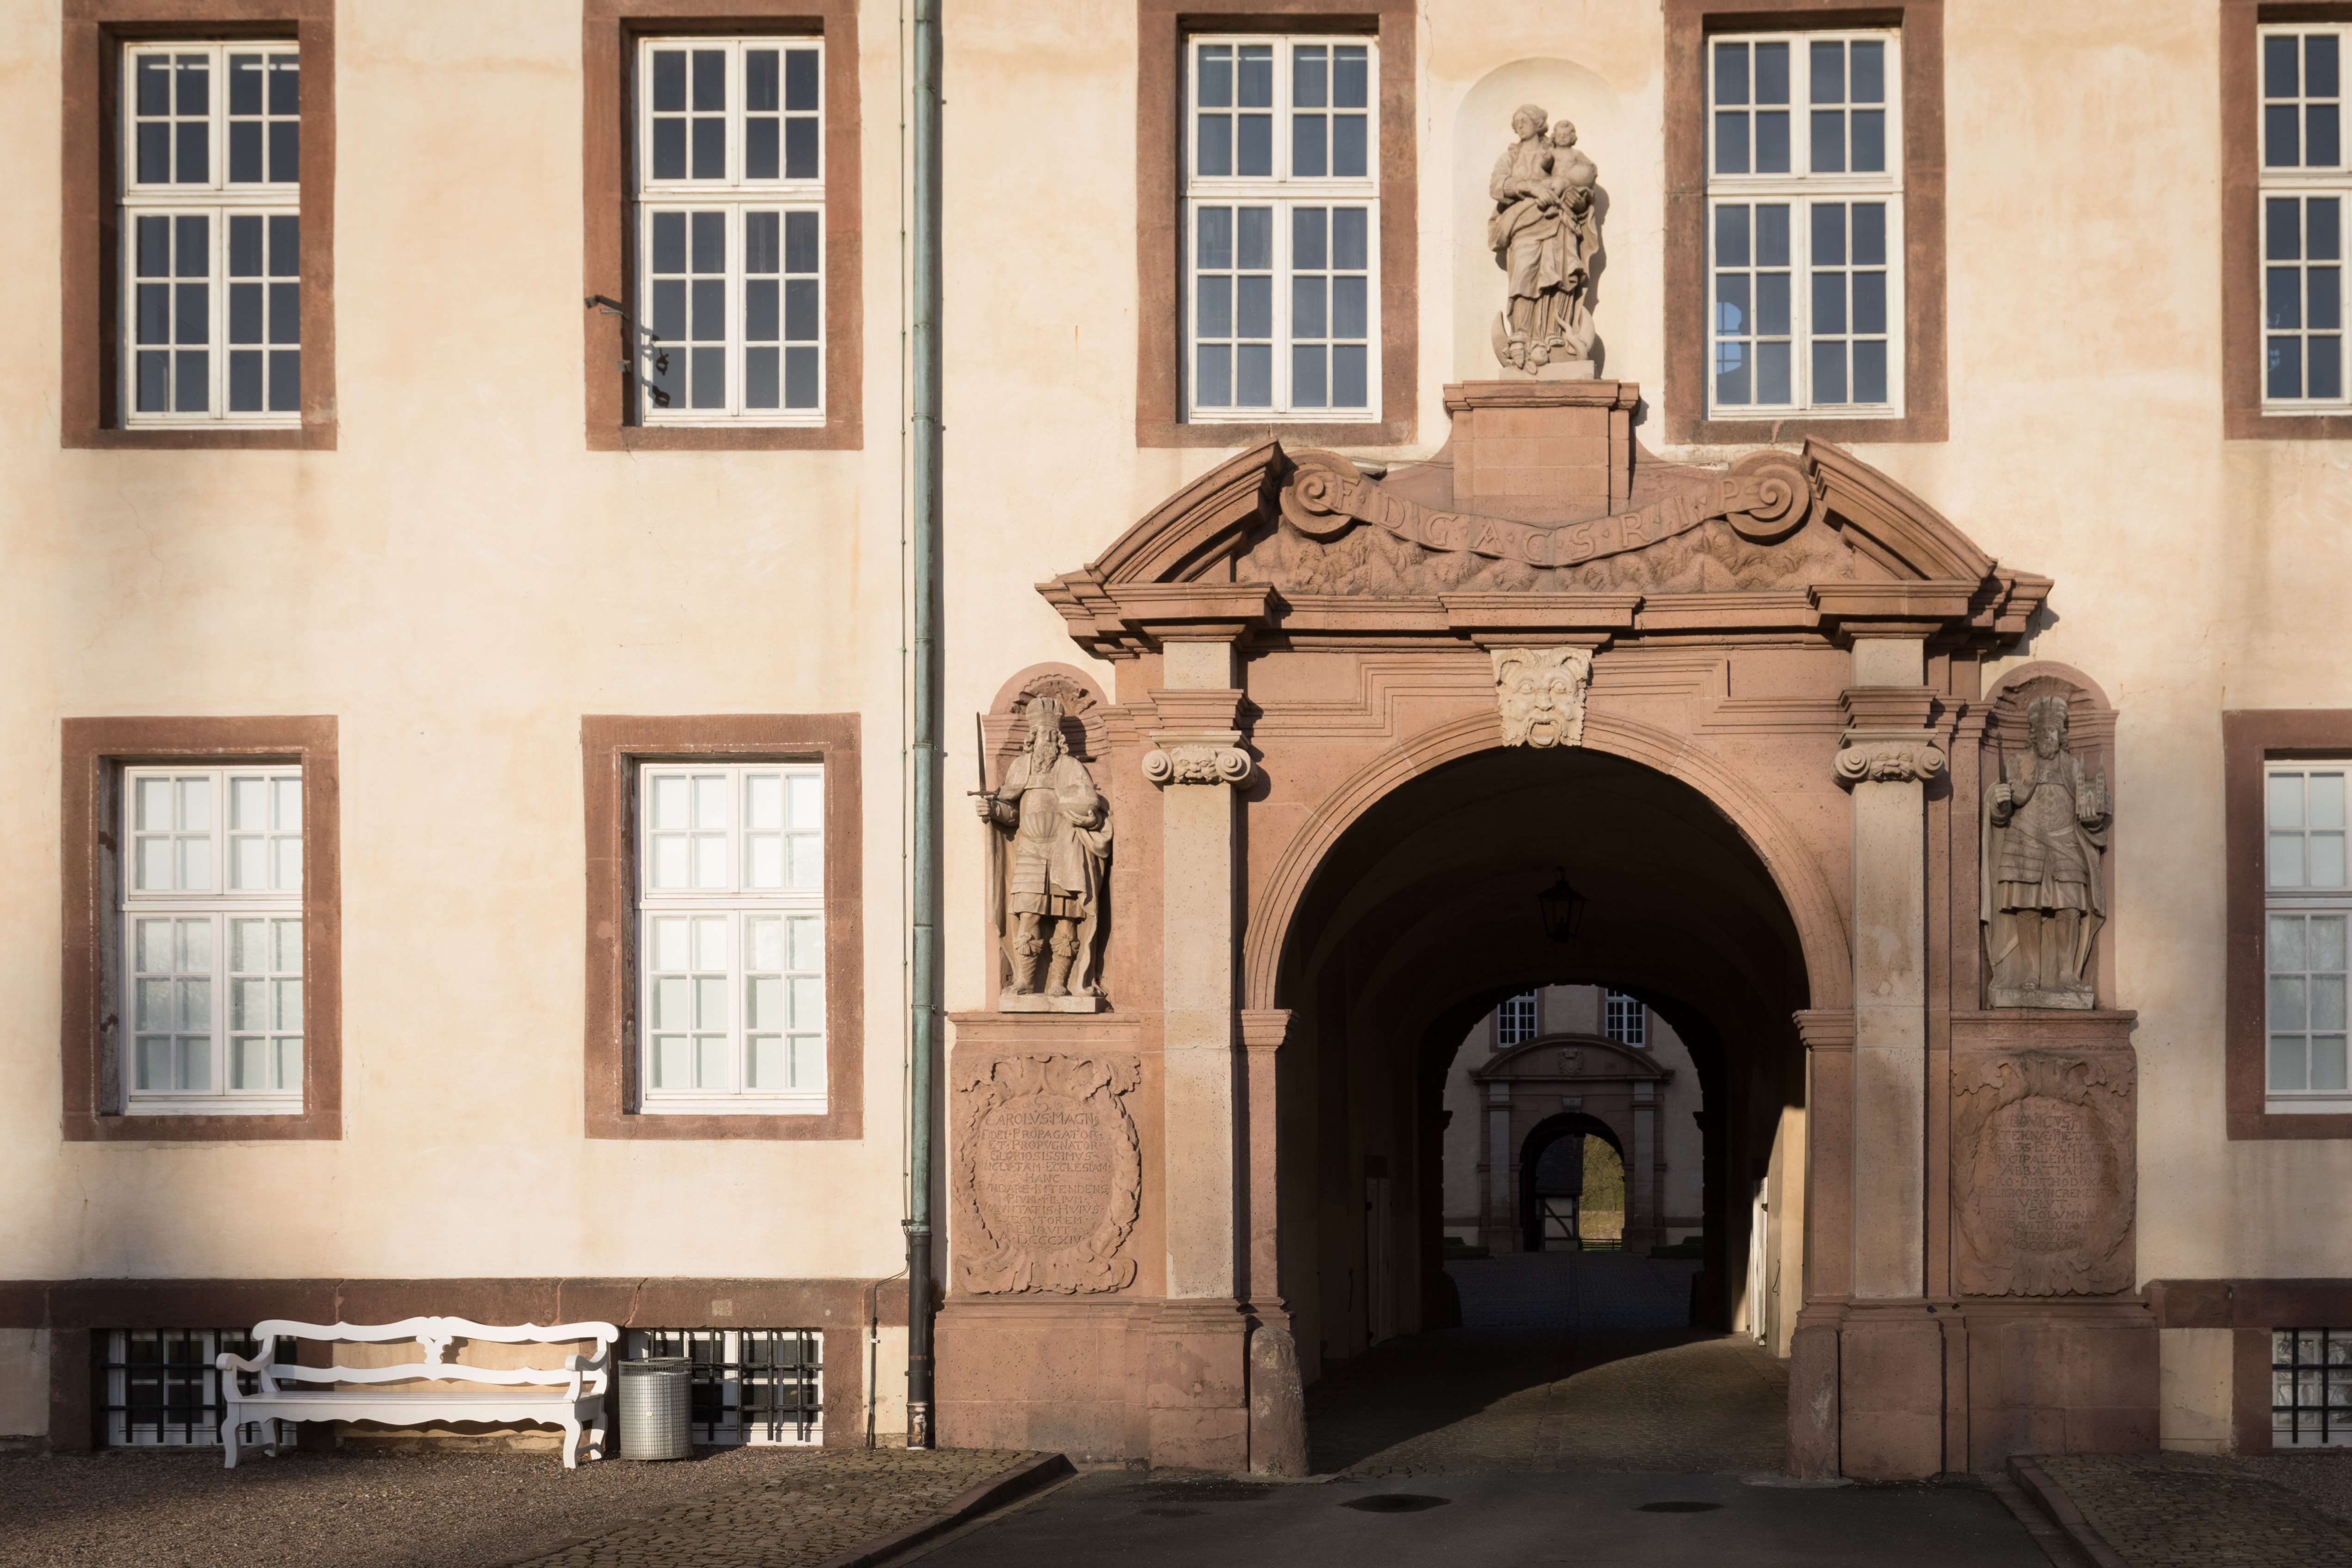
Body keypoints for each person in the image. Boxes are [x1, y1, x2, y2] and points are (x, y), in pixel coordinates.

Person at [975, 697, 1113, 999]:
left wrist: (1082, 812)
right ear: (1032, 737)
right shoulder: (1020, 767)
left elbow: (1089, 805)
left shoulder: (1073, 768)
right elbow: (1012, 813)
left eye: (1052, 735)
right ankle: (1025, 980)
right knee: (1028, 916)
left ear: (1060, 738)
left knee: (1067, 919)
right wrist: (994, 810)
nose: (1046, 741)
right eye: (1041, 734)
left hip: (1066, 850)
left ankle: (1059, 982)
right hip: (1030, 852)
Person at [1984, 695, 2108, 1001]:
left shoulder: (2073, 766)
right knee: (2027, 909)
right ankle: (2030, 974)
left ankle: (2067, 974)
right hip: (2025, 844)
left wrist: (2093, 817)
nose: (2047, 737)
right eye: (2041, 731)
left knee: (2069, 909)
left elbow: (2089, 809)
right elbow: (2000, 812)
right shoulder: (2018, 764)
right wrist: (1999, 801)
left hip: (2066, 846)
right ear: (2033, 734)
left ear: (2060, 735)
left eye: (2052, 731)